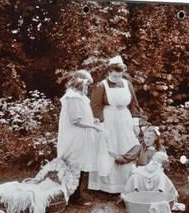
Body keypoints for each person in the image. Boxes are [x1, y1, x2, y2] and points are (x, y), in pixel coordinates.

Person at [88, 56, 143, 193]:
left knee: (127, 145)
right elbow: (95, 106)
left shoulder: (127, 84)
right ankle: (107, 185)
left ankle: (126, 183)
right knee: (110, 147)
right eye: (114, 75)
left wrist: (135, 123)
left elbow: (134, 104)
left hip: (125, 118)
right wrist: (100, 123)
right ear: (108, 73)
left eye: (120, 75)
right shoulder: (102, 86)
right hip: (109, 119)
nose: (117, 78)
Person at [57, 70, 103, 205]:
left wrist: (92, 120)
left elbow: (81, 115)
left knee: (81, 162)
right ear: (80, 82)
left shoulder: (79, 96)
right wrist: (93, 127)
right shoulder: (72, 97)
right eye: (87, 84)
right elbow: (75, 120)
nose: (87, 87)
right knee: (75, 163)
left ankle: (75, 194)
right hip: (75, 135)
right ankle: (73, 196)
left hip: (81, 134)